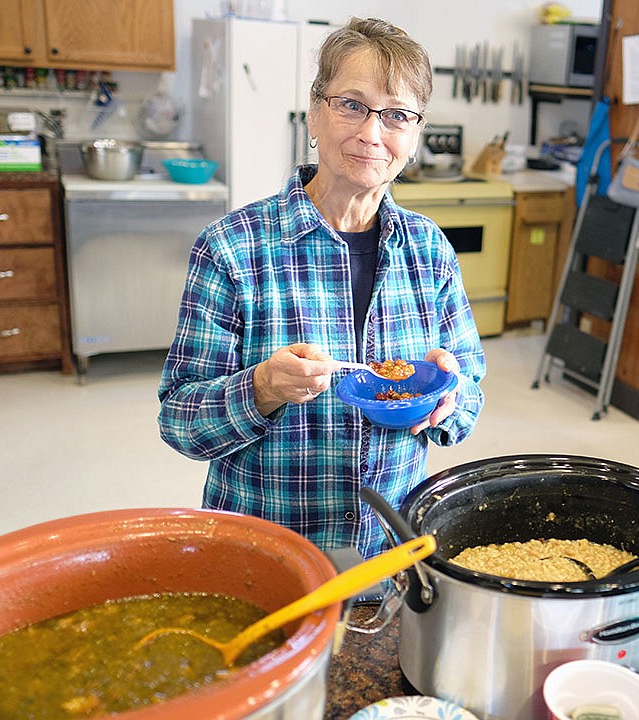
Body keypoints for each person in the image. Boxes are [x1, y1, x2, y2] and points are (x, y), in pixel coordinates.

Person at [158, 17, 486, 562]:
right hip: (269, 552)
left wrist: (448, 398)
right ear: (314, 111)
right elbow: (180, 420)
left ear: (415, 134)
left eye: (397, 115)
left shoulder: (430, 251)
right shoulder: (232, 249)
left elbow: (470, 391)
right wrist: (262, 386)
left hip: (389, 552)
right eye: (351, 105)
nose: (372, 134)